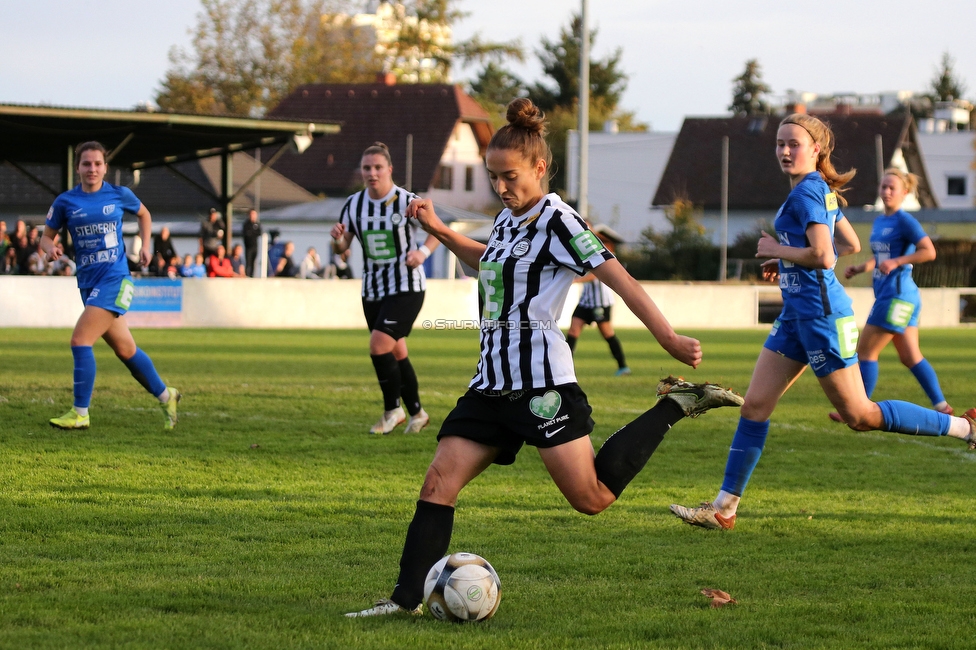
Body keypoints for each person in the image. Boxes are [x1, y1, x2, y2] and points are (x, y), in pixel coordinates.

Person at [344, 98, 745, 618]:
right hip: (490, 384)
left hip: (540, 386)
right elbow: (486, 262)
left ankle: (676, 405)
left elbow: (618, 278)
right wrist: (440, 230)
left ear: (539, 167)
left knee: (592, 497)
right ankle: (403, 603)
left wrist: (667, 336)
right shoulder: (508, 222)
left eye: (510, 177)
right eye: (493, 179)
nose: (501, 188)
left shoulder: (559, 219)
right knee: (438, 484)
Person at [669, 114, 976, 532]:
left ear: (816, 149)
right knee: (756, 406)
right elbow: (848, 243)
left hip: (822, 317)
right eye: (780, 143)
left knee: (860, 415)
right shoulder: (816, 190)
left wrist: (777, 248)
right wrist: (786, 257)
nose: (784, 151)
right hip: (797, 314)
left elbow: (827, 256)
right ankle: (723, 508)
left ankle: (965, 428)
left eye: (794, 144)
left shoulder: (807, 193)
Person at [40, 141, 180, 431]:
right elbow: (46, 237)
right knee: (126, 350)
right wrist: (48, 247)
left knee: (80, 341)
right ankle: (168, 396)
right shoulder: (65, 202)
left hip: (115, 279)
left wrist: (145, 245)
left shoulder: (119, 194)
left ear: (105, 167)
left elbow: (144, 214)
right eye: (86, 164)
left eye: (97, 164)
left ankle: (80, 413)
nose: (92, 169)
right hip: (87, 282)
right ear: (77, 167)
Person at [330, 142, 441, 435]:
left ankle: (393, 410)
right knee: (396, 351)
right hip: (373, 289)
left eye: (378, 167)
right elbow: (343, 249)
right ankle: (418, 413)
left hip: (406, 286)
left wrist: (422, 254)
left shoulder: (407, 200)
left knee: (379, 345)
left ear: (389, 169)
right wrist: (337, 240)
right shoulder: (353, 204)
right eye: (367, 168)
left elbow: (437, 232)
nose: (372, 173)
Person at [829, 168, 952, 418]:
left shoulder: (905, 220)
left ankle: (857, 408)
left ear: (904, 193)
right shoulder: (881, 220)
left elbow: (928, 251)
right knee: (910, 356)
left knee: (866, 351)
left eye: (891, 188)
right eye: (883, 186)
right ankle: (943, 407)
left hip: (896, 295)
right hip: (901, 297)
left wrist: (897, 263)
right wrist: (863, 267)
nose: (885, 192)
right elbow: (883, 255)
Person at [566, 228, 629, 376]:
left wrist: (576, 281)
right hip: (585, 301)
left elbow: (595, 275)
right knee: (573, 331)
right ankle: (565, 368)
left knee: (607, 334)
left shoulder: (603, 251)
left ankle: (623, 367)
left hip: (600, 302)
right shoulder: (579, 250)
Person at [243, 209, 262, 277]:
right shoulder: (246, 224)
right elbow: (247, 234)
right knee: (248, 263)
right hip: (248, 246)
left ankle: (252, 276)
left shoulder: (257, 224)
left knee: (254, 262)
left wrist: (253, 233)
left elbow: (259, 232)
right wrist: (253, 232)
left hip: (255, 246)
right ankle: (247, 275)